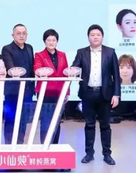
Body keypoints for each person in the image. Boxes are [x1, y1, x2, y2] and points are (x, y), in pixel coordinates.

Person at [72, 25, 119, 165]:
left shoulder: (110, 52)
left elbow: (116, 76)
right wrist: (71, 71)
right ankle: (89, 153)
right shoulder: (82, 52)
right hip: (88, 93)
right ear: (88, 37)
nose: (95, 37)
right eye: (92, 35)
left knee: (105, 125)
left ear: (102, 37)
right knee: (89, 125)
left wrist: (116, 94)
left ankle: (107, 154)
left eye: (98, 35)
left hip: (105, 94)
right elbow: (75, 67)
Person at [0, 24, 35, 145]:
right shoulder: (7, 49)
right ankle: (9, 147)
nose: (21, 36)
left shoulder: (29, 48)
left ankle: (20, 146)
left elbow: (31, 68)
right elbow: (10, 67)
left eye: (24, 33)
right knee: (11, 119)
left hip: (27, 91)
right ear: (13, 35)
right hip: (13, 91)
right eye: (18, 33)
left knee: (23, 120)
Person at [33, 29, 68, 144]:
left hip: (59, 92)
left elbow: (66, 74)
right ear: (44, 41)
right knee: (46, 121)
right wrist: (41, 72)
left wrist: (67, 92)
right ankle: (45, 145)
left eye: (54, 40)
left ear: (57, 41)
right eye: (49, 40)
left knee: (57, 121)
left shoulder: (62, 55)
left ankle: (55, 146)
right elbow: (37, 69)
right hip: (45, 92)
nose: (51, 42)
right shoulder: (39, 55)